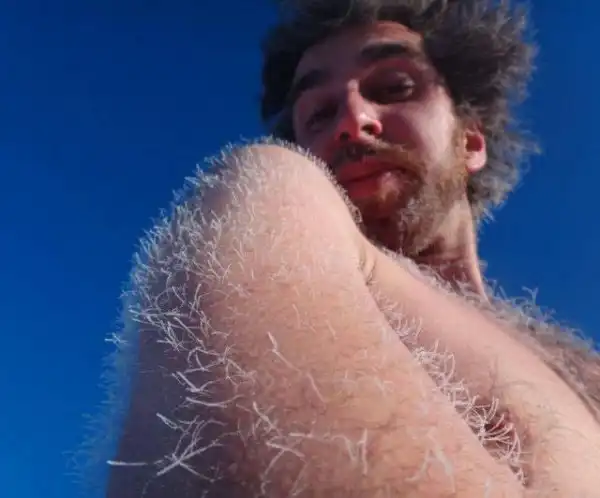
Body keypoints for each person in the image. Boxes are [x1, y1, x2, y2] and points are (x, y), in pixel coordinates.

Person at [95, 0, 600, 497]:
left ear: (471, 143)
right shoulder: (277, 188)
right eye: (318, 114)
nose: (352, 120)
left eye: (394, 88)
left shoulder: (580, 366)